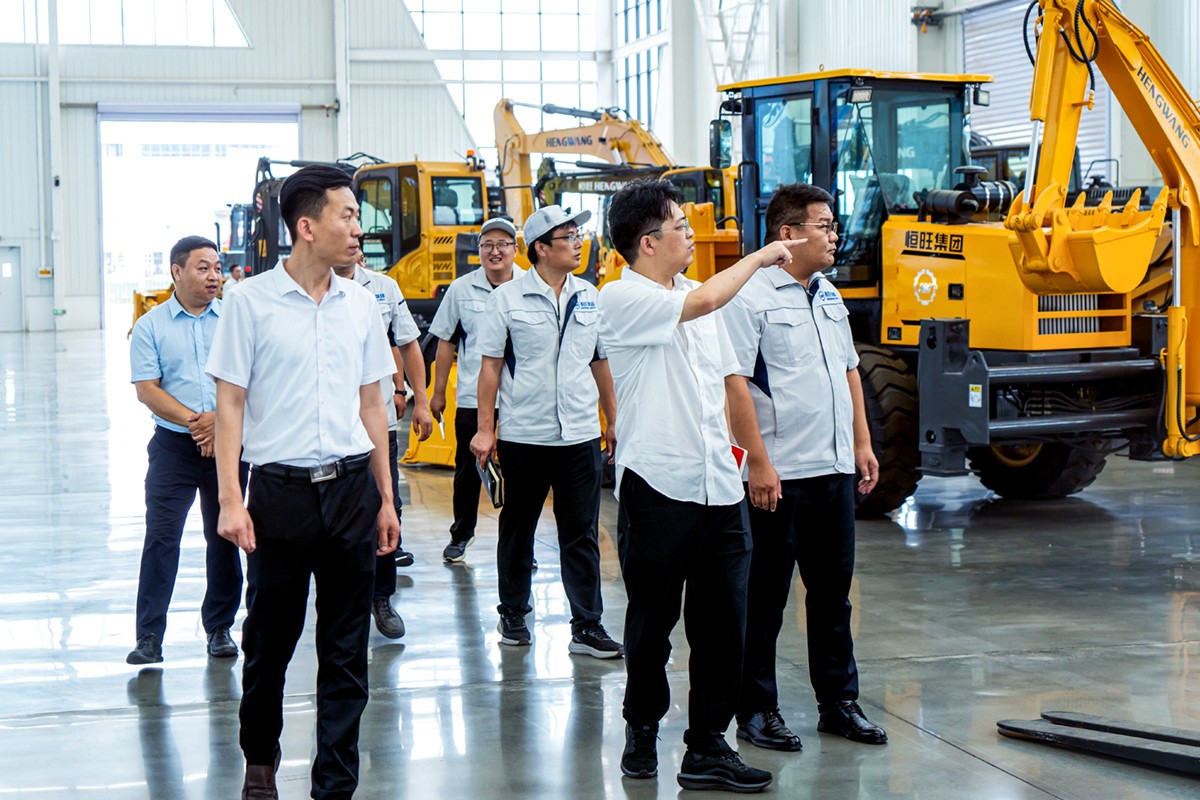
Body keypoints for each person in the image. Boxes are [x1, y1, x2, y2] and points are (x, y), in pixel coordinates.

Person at [600, 178, 804, 792]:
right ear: (647, 242)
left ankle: (708, 746)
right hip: (659, 486)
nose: (692, 235)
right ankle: (642, 728)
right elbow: (711, 299)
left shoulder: (695, 294)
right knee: (652, 624)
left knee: (723, 626)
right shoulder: (621, 296)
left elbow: (728, 384)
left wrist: (752, 460)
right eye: (681, 226)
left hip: (720, 485)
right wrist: (761, 256)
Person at [207, 165, 400, 800]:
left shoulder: (362, 303)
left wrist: (386, 499)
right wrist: (231, 500)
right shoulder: (249, 302)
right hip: (280, 496)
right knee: (269, 641)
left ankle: (335, 784)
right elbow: (230, 404)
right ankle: (260, 763)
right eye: (348, 215)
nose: (359, 228)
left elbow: (372, 406)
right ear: (307, 227)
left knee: (346, 650)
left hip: (351, 491)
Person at [724, 183, 887, 752]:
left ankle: (838, 703)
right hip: (779, 477)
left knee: (833, 597)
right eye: (824, 225)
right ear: (788, 234)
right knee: (763, 600)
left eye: (833, 225)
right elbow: (735, 385)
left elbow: (849, 371)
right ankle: (756, 709)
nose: (834, 235)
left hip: (833, 470)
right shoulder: (750, 295)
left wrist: (862, 443)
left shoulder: (828, 295)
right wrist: (758, 464)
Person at [469, 205, 622, 659]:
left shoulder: (590, 295)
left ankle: (586, 625)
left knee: (581, 533)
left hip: (579, 435)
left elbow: (600, 361)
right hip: (525, 437)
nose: (578, 244)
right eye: (568, 237)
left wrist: (613, 420)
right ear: (540, 248)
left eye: (578, 235)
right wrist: (485, 429)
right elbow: (490, 368)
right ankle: (513, 612)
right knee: (519, 529)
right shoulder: (507, 299)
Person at [126, 235, 249, 665]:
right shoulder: (150, 326)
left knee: (225, 535)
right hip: (173, 448)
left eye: (217, 268)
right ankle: (149, 636)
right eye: (203, 268)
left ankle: (220, 628)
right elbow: (147, 389)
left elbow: (253, 377)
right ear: (177, 272)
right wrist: (200, 422)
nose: (214, 276)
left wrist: (220, 421)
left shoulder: (235, 320)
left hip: (229, 446)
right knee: (162, 538)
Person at [331, 253, 433, 639]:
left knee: (386, 508)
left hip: (378, 422)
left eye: (356, 231)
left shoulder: (383, 288)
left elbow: (407, 344)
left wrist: (419, 399)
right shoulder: (306, 287)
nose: (352, 239)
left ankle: (382, 597)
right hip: (330, 427)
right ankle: (343, 599)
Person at [428, 217, 524, 563]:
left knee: (520, 475)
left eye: (502, 245)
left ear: (515, 249)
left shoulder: (531, 286)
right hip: (473, 398)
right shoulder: (461, 289)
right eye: (487, 245)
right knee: (467, 472)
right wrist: (438, 392)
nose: (495, 251)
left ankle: (519, 544)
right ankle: (461, 534)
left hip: (520, 400)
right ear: (479, 250)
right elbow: (445, 342)